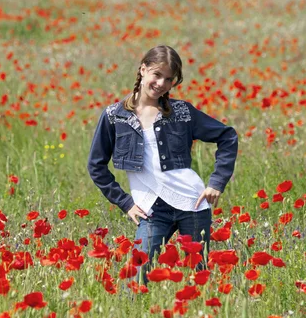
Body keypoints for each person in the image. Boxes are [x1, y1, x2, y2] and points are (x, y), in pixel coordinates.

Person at [87, 45, 238, 282]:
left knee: (201, 279)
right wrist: (125, 202)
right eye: (157, 75)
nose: (161, 84)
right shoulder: (115, 116)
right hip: (151, 209)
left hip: (193, 203)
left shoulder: (182, 112)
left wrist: (217, 182)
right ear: (143, 69)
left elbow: (227, 136)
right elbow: (96, 165)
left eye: (169, 79)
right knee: (136, 277)